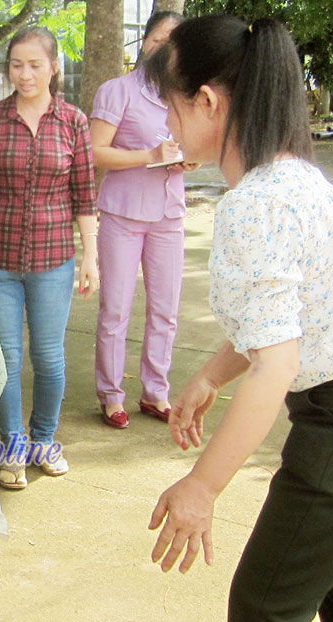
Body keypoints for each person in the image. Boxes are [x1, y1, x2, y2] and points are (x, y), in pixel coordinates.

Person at [145, 17, 333, 622]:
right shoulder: (287, 180)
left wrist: (202, 485)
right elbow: (281, 319)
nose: (166, 123)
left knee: (264, 605)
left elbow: (275, 365)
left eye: (168, 105)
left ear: (206, 102)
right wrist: (210, 374)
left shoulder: (254, 204)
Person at [0, 26, 98, 490]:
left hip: (52, 259)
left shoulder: (73, 122)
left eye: (34, 64)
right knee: (4, 357)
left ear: (53, 67)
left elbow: (85, 195)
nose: (24, 74)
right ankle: (13, 445)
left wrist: (91, 257)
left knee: (48, 357)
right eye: (16, 65)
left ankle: (45, 440)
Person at [90, 11, 190, 429]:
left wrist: (190, 160)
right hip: (123, 213)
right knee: (116, 308)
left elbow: (189, 146)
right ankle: (111, 394)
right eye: (159, 38)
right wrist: (149, 157)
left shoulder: (182, 94)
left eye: (174, 41)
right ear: (145, 41)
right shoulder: (118, 91)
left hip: (169, 213)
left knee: (166, 310)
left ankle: (156, 391)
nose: (164, 47)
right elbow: (95, 152)